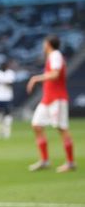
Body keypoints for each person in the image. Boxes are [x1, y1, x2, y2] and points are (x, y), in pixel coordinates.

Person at [27, 35, 76, 172]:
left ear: (48, 44)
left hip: (57, 98)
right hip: (47, 98)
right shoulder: (52, 56)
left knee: (61, 128)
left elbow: (55, 74)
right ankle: (44, 160)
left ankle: (70, 162)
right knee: (36, 125)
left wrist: (36, 78)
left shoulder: (55, 55)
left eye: (44, 43)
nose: (43, 46)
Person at [0, 61, 15, 139]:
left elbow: (11, 83)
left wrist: (2, 82)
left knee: (7, 114)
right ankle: (1, 130)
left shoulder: (10, 73)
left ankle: (7, 131)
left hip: (7, 97)